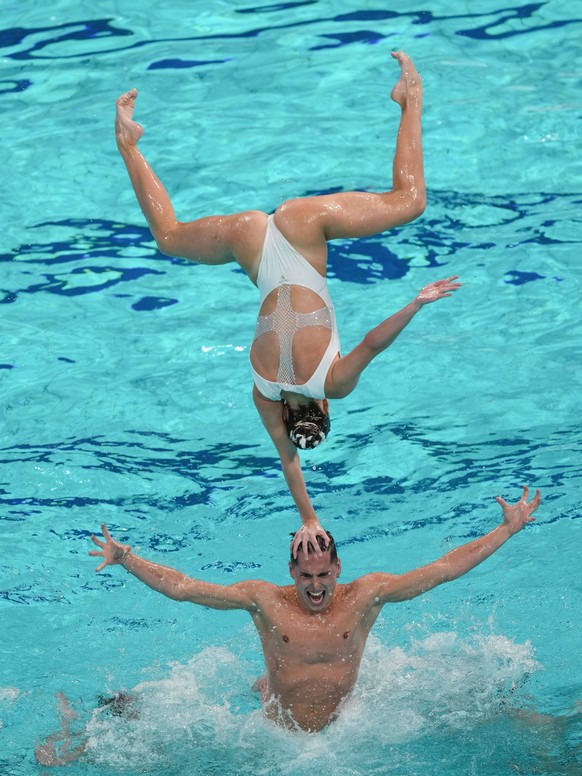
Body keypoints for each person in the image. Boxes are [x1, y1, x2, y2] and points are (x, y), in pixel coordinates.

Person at [114, 51, 461, 554]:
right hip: (250, 243)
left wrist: (417, 302)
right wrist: (307, 516)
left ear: (323, 407)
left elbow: (372, 344)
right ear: (292, 416)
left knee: (410, 201)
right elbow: (286, 459)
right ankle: (128, 144)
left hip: (302, 231)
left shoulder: (331, 383)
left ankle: (410, 99)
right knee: (168, 237)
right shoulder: (263, 392)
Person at [84, 485, 540, 734]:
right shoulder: (264, 600)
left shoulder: (366, 595)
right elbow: (185, 588)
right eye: (306, 577)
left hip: (344, 727)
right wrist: (126, 558)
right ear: (291, 571)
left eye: (324, 575)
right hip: (277, 733)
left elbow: (442, 569)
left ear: (338, 568)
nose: (316, 587)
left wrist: (507, 531)